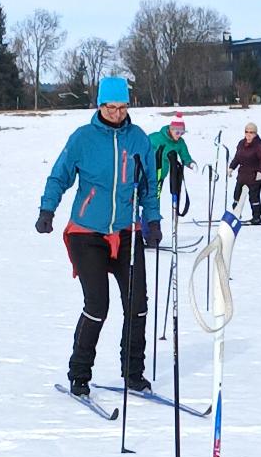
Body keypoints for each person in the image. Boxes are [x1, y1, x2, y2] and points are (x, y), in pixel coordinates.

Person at [35, 76, 161, 398]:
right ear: (100, 105)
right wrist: (47, 209)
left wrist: (153, 221)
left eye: (122, 107)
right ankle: (79, 375)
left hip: (126, 232)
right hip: (86, 233)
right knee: (97, 305)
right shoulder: (83, 139)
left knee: (138, 306)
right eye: (111, 107)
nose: (117, 113)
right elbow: (59, 175)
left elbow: (148, 188)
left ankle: (133, 373)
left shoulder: (139, 140)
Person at [228, 121, 261, 223]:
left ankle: (256, 217)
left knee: (254, 198)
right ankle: (236, 214)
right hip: (242, 175)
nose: (249, 134)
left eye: (251, 132)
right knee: (237, 195)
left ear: (255, 134)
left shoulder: (259, 146)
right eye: (247, 132)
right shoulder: (241, 143)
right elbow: (237, 158)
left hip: (254, 176)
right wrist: (231, 168)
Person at [149, 111, 196, 195]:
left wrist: (190, 163)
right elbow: (142, 145)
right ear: (171, 129)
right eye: (177, 132)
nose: (179, 135)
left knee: (155, 199)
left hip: (161, 176)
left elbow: (184, 155)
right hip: (148, 174)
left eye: (182, 133)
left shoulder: (180, 143)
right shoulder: (156, 137)